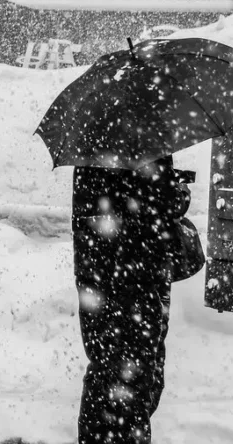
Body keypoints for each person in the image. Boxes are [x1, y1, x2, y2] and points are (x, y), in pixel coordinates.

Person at [71, 154, 200, 444]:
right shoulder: (143, 146)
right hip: (136, 278)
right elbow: (156, 211)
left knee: (106, 367)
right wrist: (177, 193)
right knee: (134, 376)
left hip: (99, 275)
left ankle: (99, 436)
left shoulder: (90, 152)